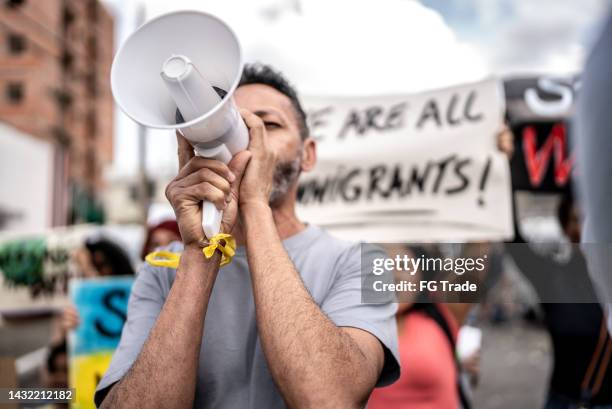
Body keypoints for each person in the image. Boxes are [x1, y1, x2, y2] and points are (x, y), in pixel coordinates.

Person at [95, 63, 400, 409]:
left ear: (308, 154)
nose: (247, 139)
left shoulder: (367, 264)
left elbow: (330, 398)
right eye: (232, 122)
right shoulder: (160, 273)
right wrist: (198, 253)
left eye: (269, 124)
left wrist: (254, 206)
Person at [507, 190, 612, 408]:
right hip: (562, 401)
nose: (584, 230)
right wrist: (502, 172)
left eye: (591, 221)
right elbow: (512, 238)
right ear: (565, 226)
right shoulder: (551, 277)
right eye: (576, 220)